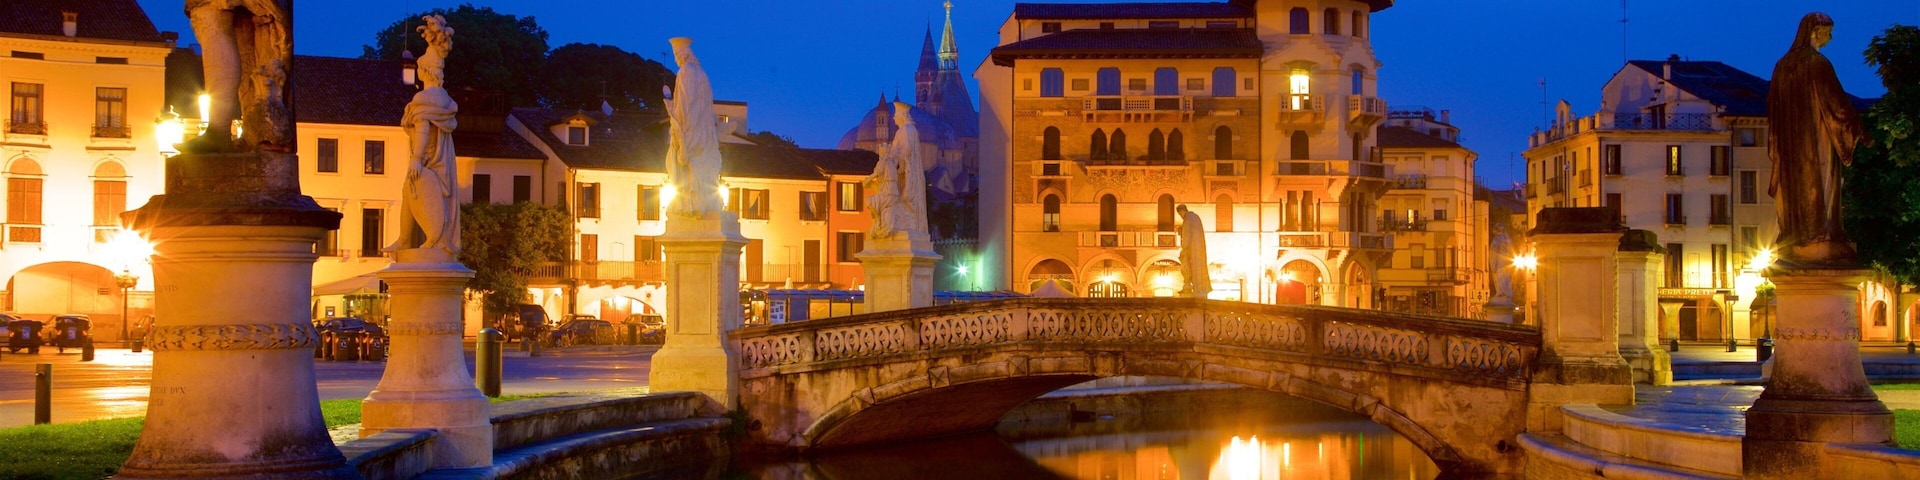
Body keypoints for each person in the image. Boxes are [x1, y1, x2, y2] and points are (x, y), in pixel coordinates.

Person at [1768, 12, 1869, 266]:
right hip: (1817, 140)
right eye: (1828, 31)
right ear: (1815, 31)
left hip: (1789, 146)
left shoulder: (1781, 67)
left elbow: (1773, 109)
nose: (1831, 37)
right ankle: (1820, 234)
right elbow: (1837, 106)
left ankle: (1797, 234)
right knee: (1821, 186)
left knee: (1795, 188)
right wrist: (1860, 128)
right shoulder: (1817, 63)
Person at [388, 15, 459, 255]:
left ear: (423, 71)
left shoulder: (423, 100)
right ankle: (408, 239)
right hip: (441, 166)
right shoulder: (445, 101)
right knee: (409, 191)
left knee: (410, 190)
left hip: (427, 162)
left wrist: (417, 158)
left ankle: (418, 238)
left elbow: (423, 129)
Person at [664, 38, 724, 218]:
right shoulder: (702, 74)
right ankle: (701, 202)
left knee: (679, 164)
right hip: (705, 132)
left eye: (676, 54)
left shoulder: (685, 72)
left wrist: (673, 112)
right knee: (700, 166)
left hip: (690, 127)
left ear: (683, 54)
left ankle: (689, 205)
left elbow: (686, 103)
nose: (675, 58)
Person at [1176, 205, 1211, 298]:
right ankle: (1200, 290)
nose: (1181, 216)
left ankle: (1197, 290)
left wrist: (1184, 249)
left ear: (1182, 211)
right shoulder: (1195, 217)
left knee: (1191, 268)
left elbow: (1187, 236)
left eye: (1180, 214)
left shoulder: (1188, 219)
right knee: (1198, 269)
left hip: (1193, 250)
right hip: (1198, 249)